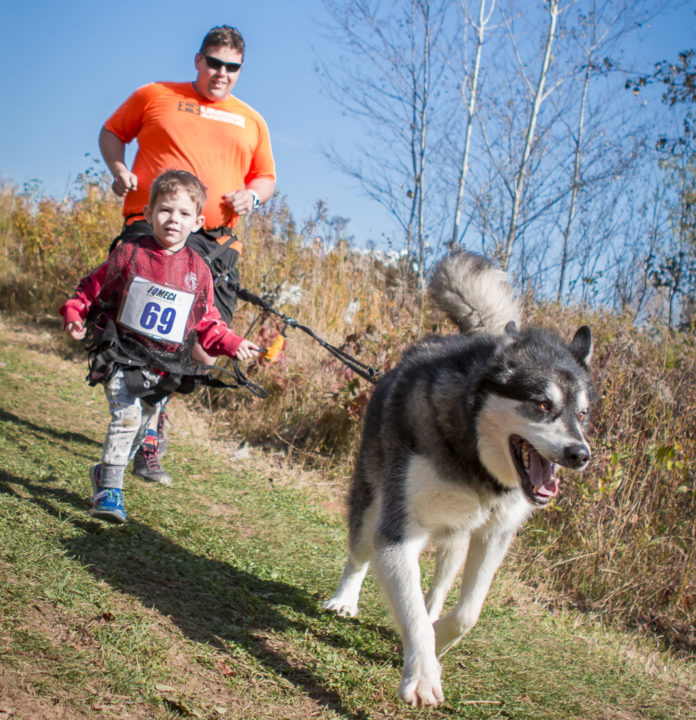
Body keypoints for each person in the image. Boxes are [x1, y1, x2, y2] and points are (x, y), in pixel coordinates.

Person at [99, 24, 276, 485]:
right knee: (145, 333)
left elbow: (266, 178)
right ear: (198, 60)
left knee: (203, 347)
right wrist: (119, 169)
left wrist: (252, 198)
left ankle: (151, 418)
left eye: (231, 67)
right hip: (154, 230)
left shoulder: (251, 120)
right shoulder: (155, 95)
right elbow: (112, 132)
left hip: (216, 243)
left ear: (240, 71)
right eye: (214, 62)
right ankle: (146, 434)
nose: (221, 73)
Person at [60, 170, 259, 523]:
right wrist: (76, 311)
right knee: (126, 416)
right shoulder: (130, 253)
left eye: (184, 214)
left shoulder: (198, 271)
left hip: (164, 365)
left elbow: (208, 320)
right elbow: (93, 286)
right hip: (122, 353)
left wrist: (232, 343)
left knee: (142, 426)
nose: (173, 220)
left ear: (198, 222)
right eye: (165, 210)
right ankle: (110, 490)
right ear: (149, 213)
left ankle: (104, 471)